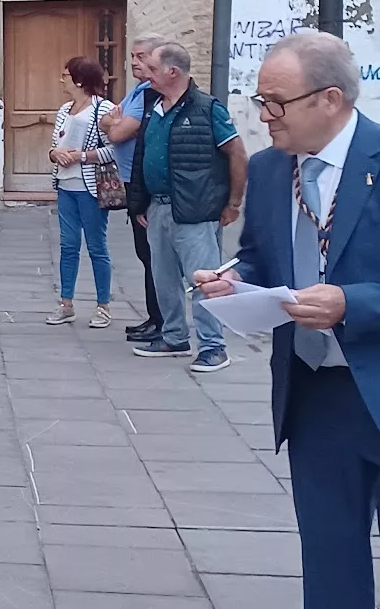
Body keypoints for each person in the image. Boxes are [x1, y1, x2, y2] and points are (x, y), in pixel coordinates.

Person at [195, 32, 378, 609]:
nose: (264, 115)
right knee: (329, 553)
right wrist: (234, 280)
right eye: (260, 100)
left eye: (276, 102)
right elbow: (258, 254)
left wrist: (352, 304)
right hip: (316, 392)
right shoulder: (273, 169)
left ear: (329, 100)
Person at [127, 42, 246, 372]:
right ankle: (175, 336)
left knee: (204, 279)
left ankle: (213, 346)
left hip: (195, 208)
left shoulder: (207, 109)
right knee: (163, 277)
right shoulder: (155, 108)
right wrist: (141, 201)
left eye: (152, 69)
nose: (145, 74)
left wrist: (233, 202)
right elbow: (142, 158)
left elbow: (237, 154)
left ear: (172, 71)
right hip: (158, 206)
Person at [105, 34, 171, 343]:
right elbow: (108, 121)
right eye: (132, 56)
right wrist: (112, 124)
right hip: (132, 180)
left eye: (142, 57)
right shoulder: (138, 91)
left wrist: (114, 125)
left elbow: (118, 133)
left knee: (154, 255)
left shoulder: (151, 96)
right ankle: (154, 317)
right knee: (145, 254)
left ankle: (163, 322)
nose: (134, 62)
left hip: (144, 182)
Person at [45, 58, 116, 329]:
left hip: (90, 188)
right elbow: (54, 144)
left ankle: (103, 306)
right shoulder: (65, 109)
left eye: (65, 75)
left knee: (97, 247)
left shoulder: (104, 109)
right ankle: (66, 304)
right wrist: (56, 154)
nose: (61, 79)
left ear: (79, 80)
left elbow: (114, 149)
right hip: (65, 186)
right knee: (68, 246)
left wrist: (82, 156)